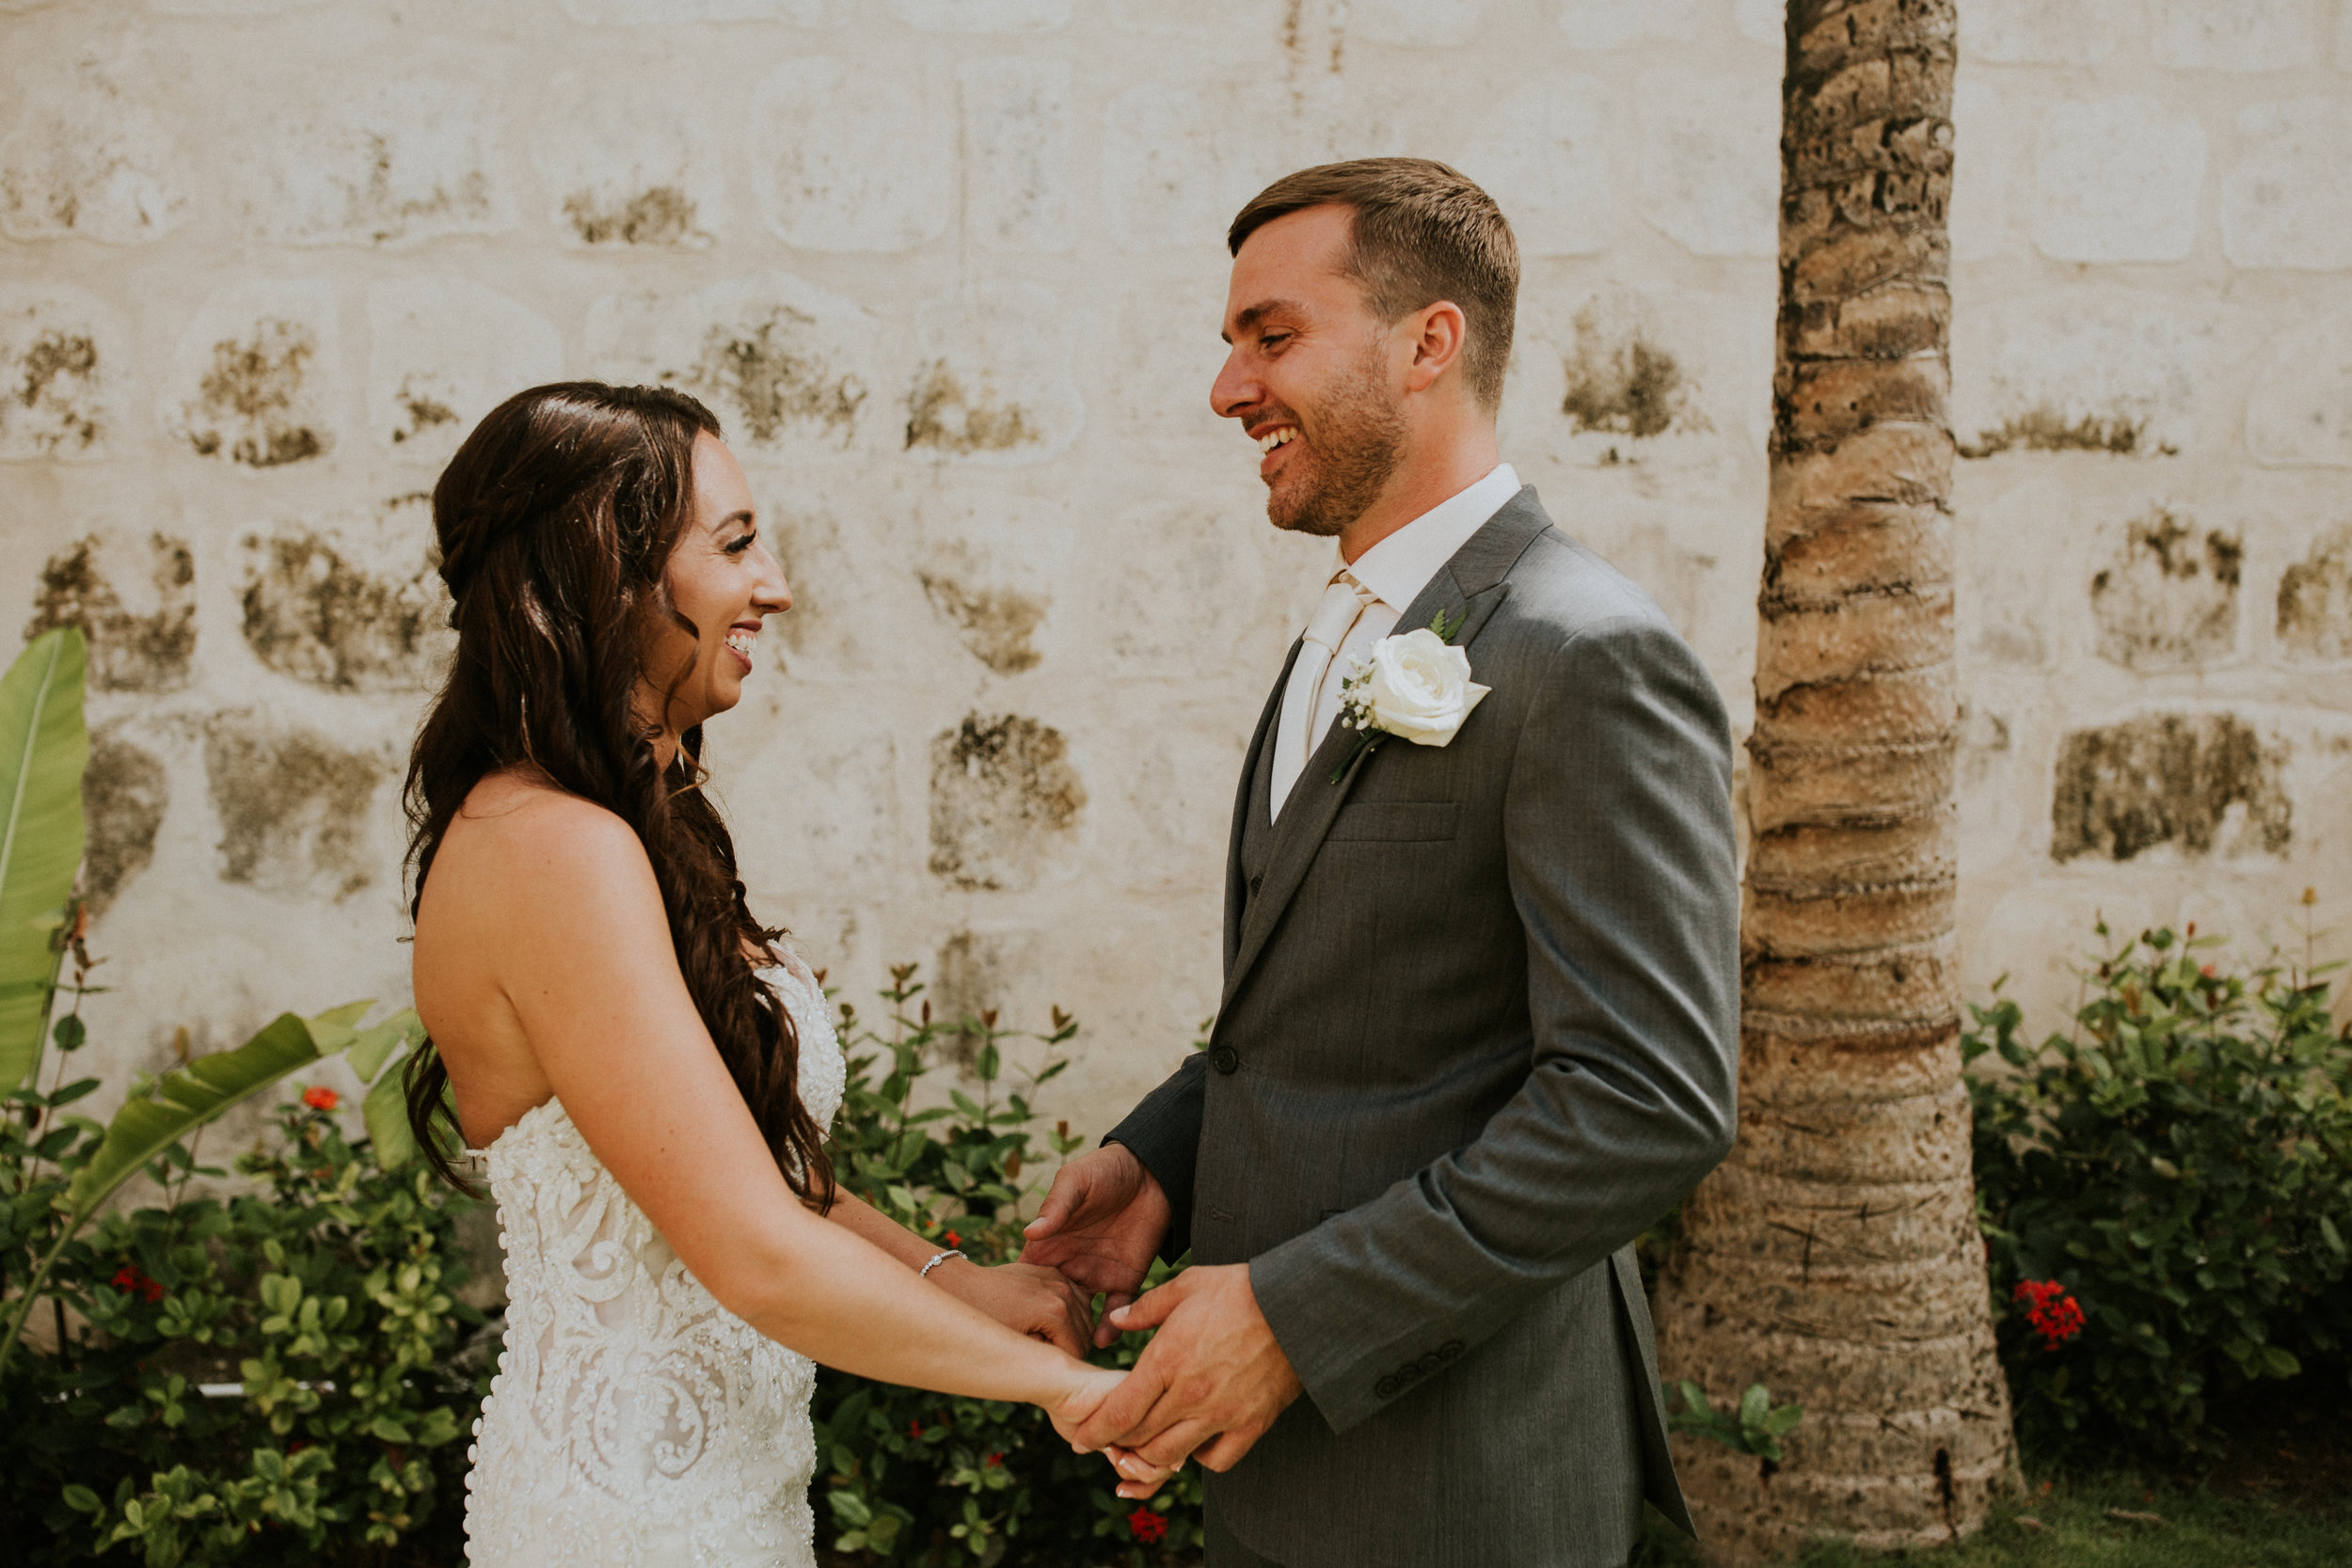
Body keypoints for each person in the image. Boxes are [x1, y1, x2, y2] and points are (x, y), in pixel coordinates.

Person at [1020, 160, 1741, 1567]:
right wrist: (1164, 1156)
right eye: (1233, 344)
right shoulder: (1352, 625)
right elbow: (1359, 986)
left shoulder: (1584, 653)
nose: (1227, 390)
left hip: (1458, 1476)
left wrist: (1297, 1312)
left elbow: (1646, 1096)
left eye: (1270, 337)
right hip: (1288, 1468)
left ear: (1430, 343)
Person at [403, 383, 1145, 1567]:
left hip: (722, 1498)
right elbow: (751, 1249)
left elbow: (737, 1171)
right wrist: (1066, 1392)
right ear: (611, 564)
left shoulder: (636, 819)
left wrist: (960, 1283)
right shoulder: (551, 849)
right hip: (629, 1522)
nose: (777, 585)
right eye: (737, 543)